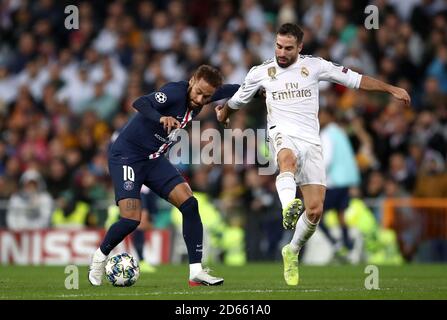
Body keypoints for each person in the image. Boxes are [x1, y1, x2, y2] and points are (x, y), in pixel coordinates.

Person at [216, 23, 410, 285]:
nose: (281, 52)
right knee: (287, 160)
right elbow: (238, 100)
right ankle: (288, 207)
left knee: (316, 210)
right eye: (278, 46)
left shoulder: (315, 66)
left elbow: (355, 79)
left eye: (288, 48)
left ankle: (292, 250)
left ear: (300, 47)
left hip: (311, 142)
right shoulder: (261, 72)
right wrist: (224, 113)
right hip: (281, 133)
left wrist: (390, 89)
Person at [88, 65, 239, 286]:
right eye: (198, 92)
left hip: (154, 159)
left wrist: (261, 88)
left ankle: (196, 271)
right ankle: (99, 258)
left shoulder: (206, 93)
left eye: (207, 97)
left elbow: (233, 88)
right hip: (127, 156)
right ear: (192, 80)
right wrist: (161, 118)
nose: (201, 99)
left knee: (190, 204)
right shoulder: (174, 92)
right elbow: (140, 103)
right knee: (131, 219)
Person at [318, 107, 360, 261]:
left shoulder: (327, 134)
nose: (319, 118)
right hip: (345, 180)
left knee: (314, 213)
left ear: (329, 116)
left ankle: (335, 243)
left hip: (333, 181)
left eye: (321, 115)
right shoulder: (340, 132)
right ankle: (347, 242)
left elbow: (326, 159)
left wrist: (316, 176)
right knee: (340, 213)